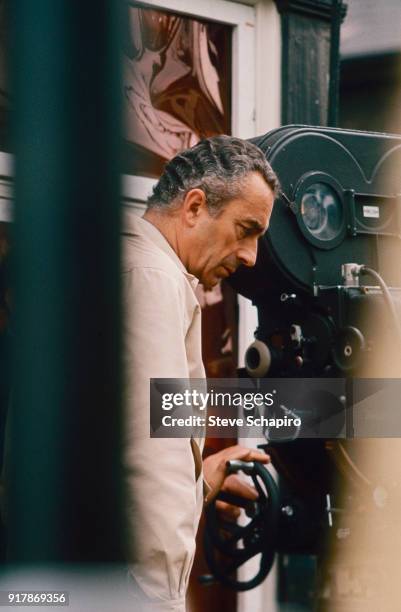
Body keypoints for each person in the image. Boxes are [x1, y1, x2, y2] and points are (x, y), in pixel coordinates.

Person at [121, 135, 279, 611]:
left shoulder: (127, 266)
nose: (250, 255)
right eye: (245, 229)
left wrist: (205, 480)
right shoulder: (151, 279)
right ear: (193, 207)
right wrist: (158, 600)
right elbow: (151, 465)